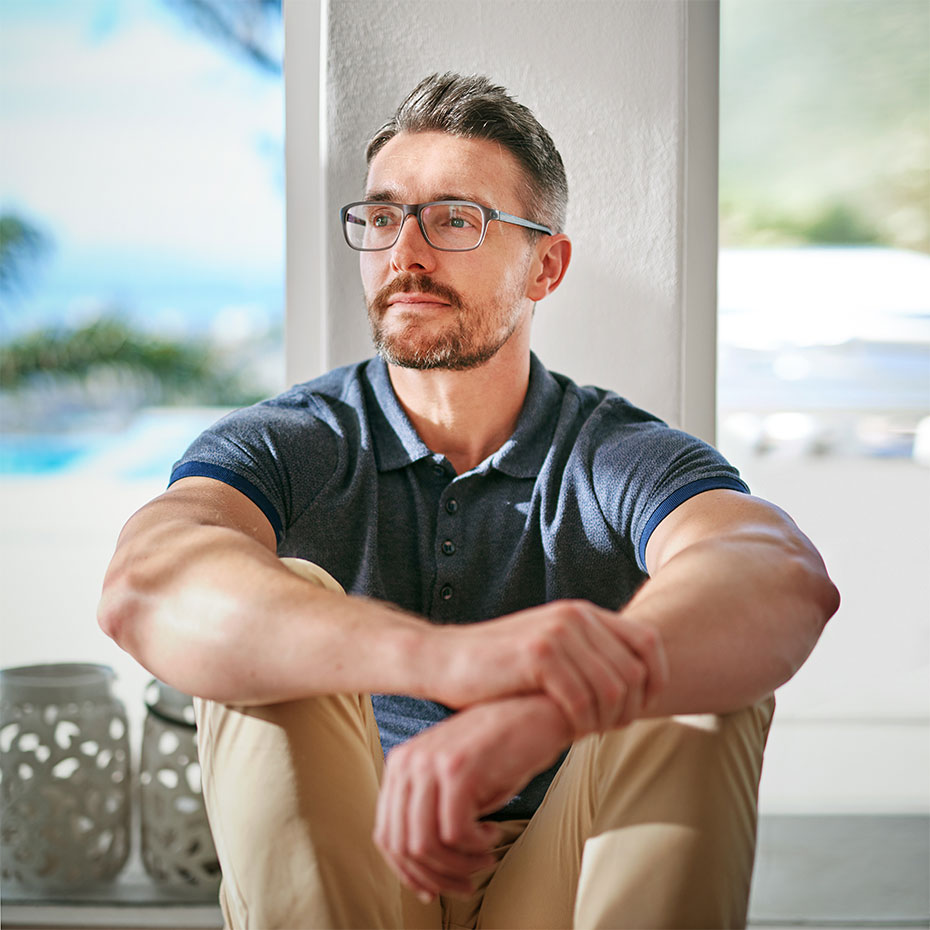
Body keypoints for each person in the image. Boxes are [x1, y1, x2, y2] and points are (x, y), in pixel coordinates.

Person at [99, 73, 839, 929]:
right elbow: (145, 584)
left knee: (702, 673)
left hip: (561, 874)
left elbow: (781, 576)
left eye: (455, 219)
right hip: (355, 869)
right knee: (276, 615)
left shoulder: (615, 453)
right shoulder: (291, 440)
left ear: (545, 266)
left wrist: (546, 711)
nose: (406, 253)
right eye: (383, 218)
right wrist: (446, 661)